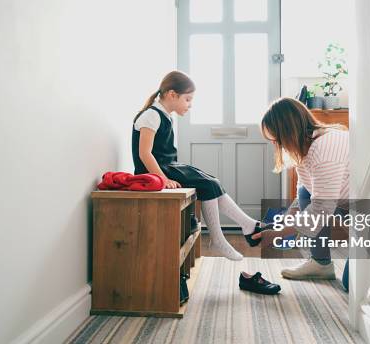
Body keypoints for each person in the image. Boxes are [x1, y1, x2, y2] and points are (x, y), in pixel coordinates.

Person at [132, 70, 264, 261]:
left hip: (167, 166)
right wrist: (164, 179)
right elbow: (144, 153)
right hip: (155, 171)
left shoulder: (164, 114)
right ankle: (220, 238)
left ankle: (247, 224)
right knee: (208, 184)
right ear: (172, 95)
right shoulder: (151, 115)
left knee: (212, 181)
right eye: (187, 99)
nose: (190, 105)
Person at [254, 97, 349, 279]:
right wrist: (281, 224)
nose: (276, 145)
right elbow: (302, 198)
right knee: (306, 191)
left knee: (352, 285)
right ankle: (320, 264)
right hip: (345, 203)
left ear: (289, 132)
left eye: (276, 139)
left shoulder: (325, 148)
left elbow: (321, 209)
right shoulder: (305, 151)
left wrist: (279, 234)